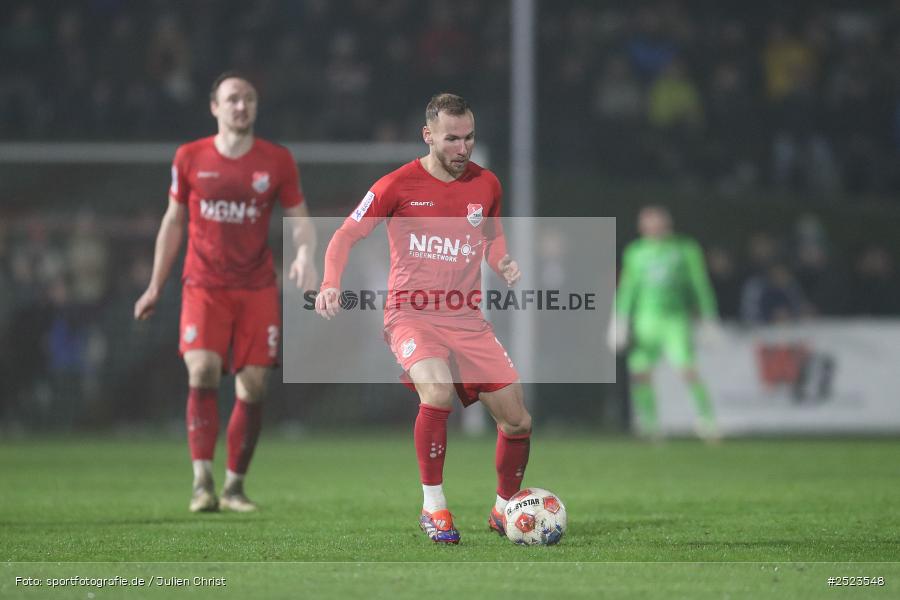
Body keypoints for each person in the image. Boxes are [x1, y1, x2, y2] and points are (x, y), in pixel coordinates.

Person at [315, 93, 530, 544]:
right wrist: (331, 281)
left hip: (467, 320)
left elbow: (492, 237)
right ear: (428, 135)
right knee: (436, 393)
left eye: (469, 137)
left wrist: (503, 261)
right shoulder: (396, 184)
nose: (463, 147)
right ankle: (434, 508)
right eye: (452, 138)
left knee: (517, 422)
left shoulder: (486, 184)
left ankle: (504, 508)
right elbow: (344, 234)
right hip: (411, 315)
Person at [134, 72, 317, 513]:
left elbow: (300, 219)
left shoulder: (276, 160)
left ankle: (234, 487)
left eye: (249, 99)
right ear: (214, 107)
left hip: (256, 286)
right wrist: (155, 285)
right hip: (204, 285)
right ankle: (202, 482)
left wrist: (306, 256)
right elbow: (173, 221)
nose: (242, 106)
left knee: (253, 385)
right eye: (233, 99)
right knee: (202, 370)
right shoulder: (190, 157)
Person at [607, 206, 721, 441]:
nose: (652, 227)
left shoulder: (684, 248)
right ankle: (650, 426)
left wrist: (709, 316)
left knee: (687, 369)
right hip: (645, 320)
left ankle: (707, 420)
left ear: (667, 224)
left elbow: (699, 283)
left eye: (656, 222)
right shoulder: (636, 252)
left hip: (675, 320)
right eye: (647, 223)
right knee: (640, 373)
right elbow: (628, 288)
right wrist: (619, 319)